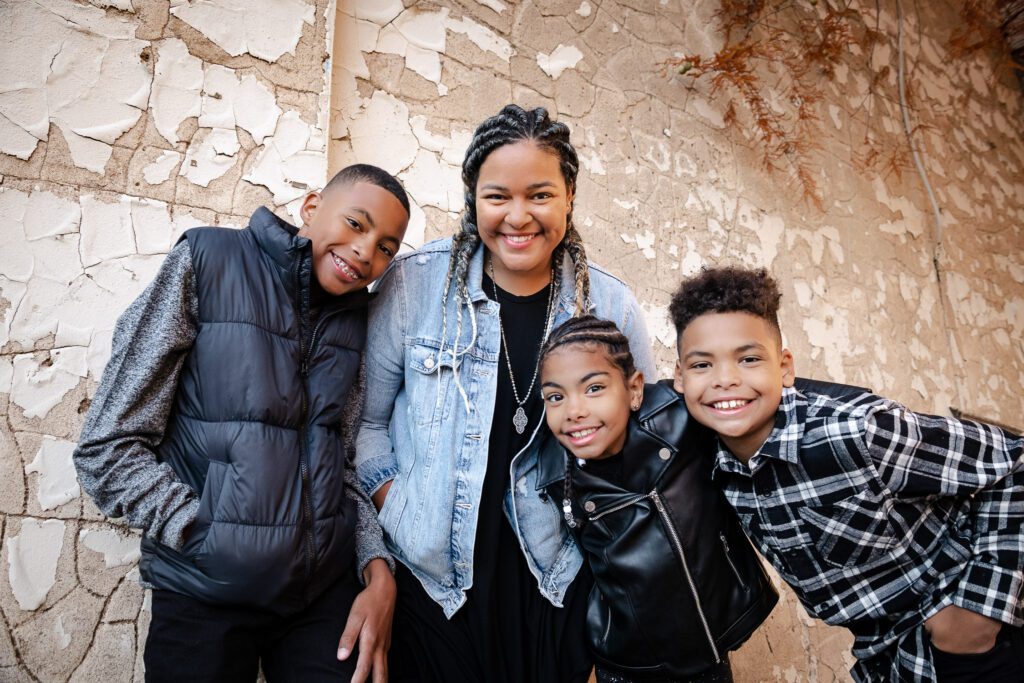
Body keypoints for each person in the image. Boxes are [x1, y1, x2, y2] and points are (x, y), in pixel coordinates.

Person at [73, 164, 410, 683]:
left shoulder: (358, 318)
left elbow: (340, 462)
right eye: (356, 224)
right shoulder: (208, 261)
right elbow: (106, 446)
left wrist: (374, 561)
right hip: (203, 593)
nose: (367, 252)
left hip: (319, 595)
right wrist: (199, 530)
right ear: (312, 207)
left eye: (387, 247)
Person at [354, 104, 656, 682]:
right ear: (474, 200)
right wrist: (400, 503)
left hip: (557, 579)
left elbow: (643, 442)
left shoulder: (610, 306)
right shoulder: (415, 284)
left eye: (540, 195)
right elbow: (363, 425)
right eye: (498, 196)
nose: (519, 217)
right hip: (429, 581)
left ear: (569, 196)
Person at [668, 266, 1024, 682]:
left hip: (977, 644)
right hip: (890, 661)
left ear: (784, 367)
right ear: (680, 377)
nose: (725, 380)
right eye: (702, 365)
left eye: (749, 359)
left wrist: (978, 609)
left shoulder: (858, 432)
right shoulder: (715, 464)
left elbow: (1016, 459)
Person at [535, 315, 778, 683]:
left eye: (594, 388)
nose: (574, 411)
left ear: (634, 389)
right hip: (630, 662)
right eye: (556, 396)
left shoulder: (676, 415)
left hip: (714, 639)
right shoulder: (557, 477)